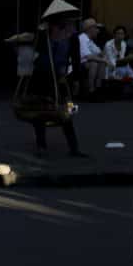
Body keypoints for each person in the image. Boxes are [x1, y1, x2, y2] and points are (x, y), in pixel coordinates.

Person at [29, 12, 88, 159]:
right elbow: (35, 53)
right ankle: (41, 145)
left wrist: (75, 80)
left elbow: (75, 59)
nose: (70, 26)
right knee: (40, 111)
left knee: (67, 111)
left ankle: (74, 147)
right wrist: (41, 33)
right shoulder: (45, 34)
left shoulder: (72, 38)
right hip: (42, 77)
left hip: (61, 78)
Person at [105, 25, 133, 92]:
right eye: (118, 33)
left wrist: (128, 59)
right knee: (124, 70)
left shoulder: (123, 44)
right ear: (114, 35)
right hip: (110, 67)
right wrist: (126, 59)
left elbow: (121, 59)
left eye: (122, 34)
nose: (120, 35)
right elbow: (112, 61)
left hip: (120, 65)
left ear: (124, 35)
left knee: (128, 69)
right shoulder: (108, 44)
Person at [78, 18, 108, 96]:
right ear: (90, 29)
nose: (97, 30)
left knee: (101, 63)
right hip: (79, 63)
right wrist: (102, 59)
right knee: (94, 63)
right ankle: (91, 90)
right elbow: (88, 57)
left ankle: (98, 88)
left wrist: (103, 37)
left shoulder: (90, 40)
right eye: (95, 27)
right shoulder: (82, 38)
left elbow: (100, 53)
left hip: (88, 61)